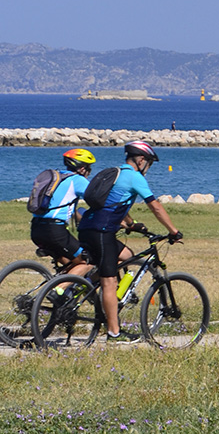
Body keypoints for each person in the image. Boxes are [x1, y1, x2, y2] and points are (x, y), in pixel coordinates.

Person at [77, 139, 182, 343]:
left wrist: (131, 223)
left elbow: (114, 204)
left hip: (86, 227)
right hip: (102, 231)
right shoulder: (135, 177)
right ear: (141, 160)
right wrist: (174, 231)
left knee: (126, 256)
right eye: (149, 164)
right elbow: (156, 207)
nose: (148, 168)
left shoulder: (115, 173)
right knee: (110, 281)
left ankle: (85, 285)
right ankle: (114, 333)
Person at [29, 148, 96, 276]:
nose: (90, 172)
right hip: (54, 230)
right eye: (89, 168)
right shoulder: (78, 180)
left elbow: (70, 209)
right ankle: (59, 290)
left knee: (71, 262)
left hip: (36, 228)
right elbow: (99, 199)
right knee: (87, 261)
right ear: (82, 169)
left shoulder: (59, 178)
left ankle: (64, 286)